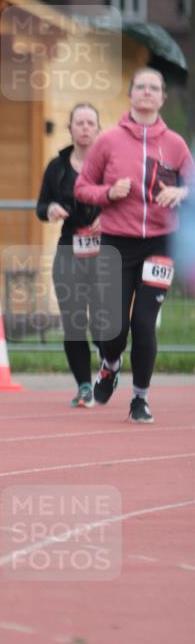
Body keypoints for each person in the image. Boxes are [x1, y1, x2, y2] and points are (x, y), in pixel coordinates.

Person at [76, 68, 194, 422]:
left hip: (159, 243)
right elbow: (82, 187)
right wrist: (107, 193)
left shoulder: (175, 144)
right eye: (140, 86)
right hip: (116, 243)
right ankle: (110, 364)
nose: (147, 92)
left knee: (144, 324)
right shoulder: (108, 140)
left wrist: (182, 191)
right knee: (112, 327)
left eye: (154, 88)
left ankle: (139, 398)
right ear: (131, 95)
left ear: (162, 98)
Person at [36, 103, 102, 408]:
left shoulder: (109, 164)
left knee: (104, 322)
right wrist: (50, 209)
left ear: (98, 129)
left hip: (106, 251)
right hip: (69, 249)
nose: (85, 128)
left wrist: (110, 219)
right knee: (73, 321)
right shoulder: (57, 166)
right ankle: (84, 385)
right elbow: (41, 206)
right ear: (71, 127)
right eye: (80, 122)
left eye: (91, 123)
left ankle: (108, 366)